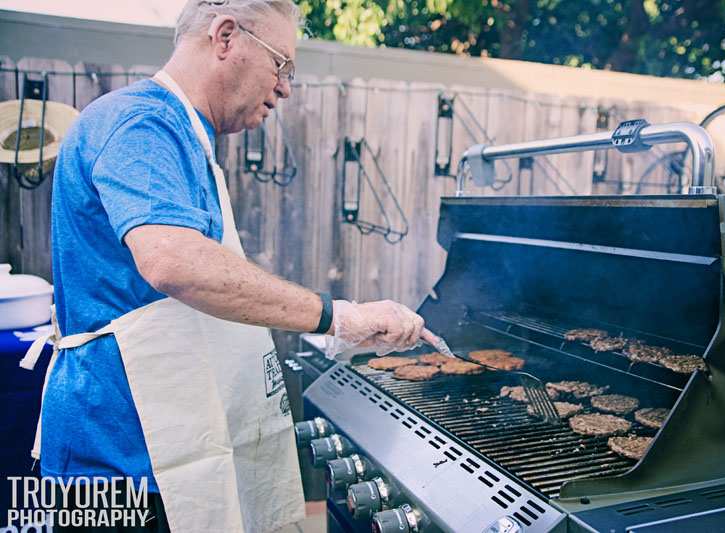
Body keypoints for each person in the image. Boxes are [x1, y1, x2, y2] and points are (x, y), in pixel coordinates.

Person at [23, 0, 434, 531]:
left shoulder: (185, 136)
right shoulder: (142, 122)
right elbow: (175, 262)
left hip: (159, 444)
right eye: (281, 64)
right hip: (117, 459)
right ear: (224, 37)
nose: (286, 86)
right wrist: (340, 316)